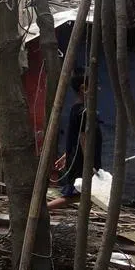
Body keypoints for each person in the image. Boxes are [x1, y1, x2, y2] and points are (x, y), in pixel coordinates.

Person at [48, 70, 103, 211]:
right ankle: (44, 209)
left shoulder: (77, 110)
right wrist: (89, 163)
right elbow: (83, 138)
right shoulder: (83, 112)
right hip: (83, 161)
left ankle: (83, 223)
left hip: (80, 158)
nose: (98, 90)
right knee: (79, 194)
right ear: (83, 88)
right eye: (95, 86)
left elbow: (75, 137)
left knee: (88, 193)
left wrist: (66, 155)